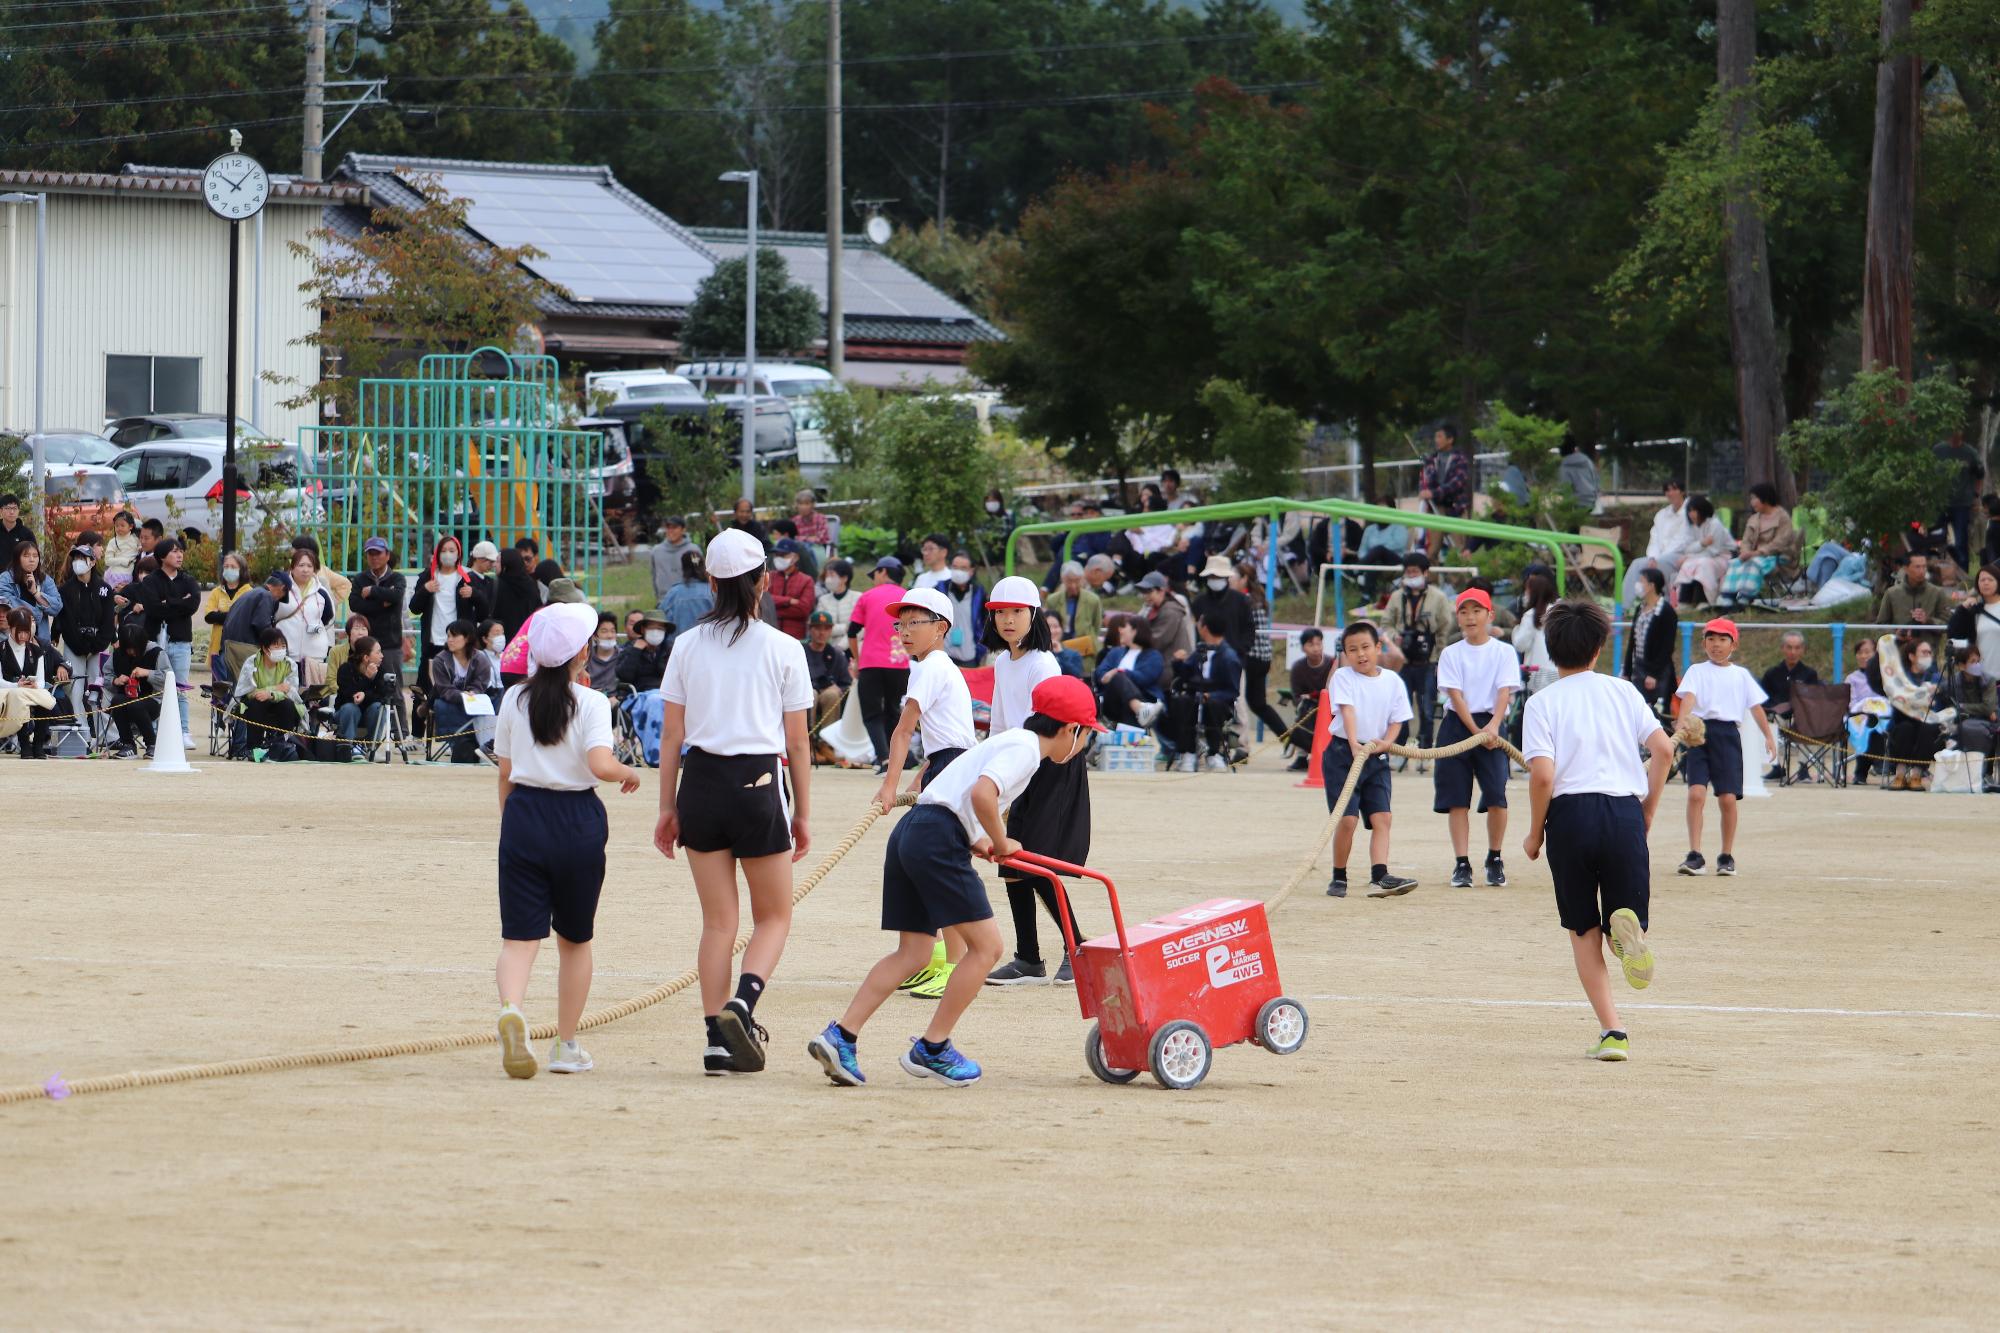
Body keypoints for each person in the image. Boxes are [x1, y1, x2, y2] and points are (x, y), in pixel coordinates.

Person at [808, 674, 1103, 1088]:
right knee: (988, 948)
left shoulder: (1009, 743)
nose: (1085, 746)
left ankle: (841, 1035)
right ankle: (933, 1046)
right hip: (936, 838)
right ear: (1072, 730)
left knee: (912, 952)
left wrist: (982, 842)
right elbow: (983, 796)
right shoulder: (1025, 750)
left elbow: (963, 800)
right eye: (1088, 736)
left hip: (913, 832)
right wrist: (1002, 841)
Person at [654, 528, 814, 1077]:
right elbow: (797, 743)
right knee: (774, 916)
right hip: (758, 782)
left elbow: (671, 736)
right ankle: (743, 1005)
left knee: (718, 923)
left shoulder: (686, 644)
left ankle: (714, 1042)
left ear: (711, 580)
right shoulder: (784, 647)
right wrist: (804, 814)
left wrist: (666, 807)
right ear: (764, 581)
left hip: (699, 781)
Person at [1519, 598, 1676, 1061]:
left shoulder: (1542, 703)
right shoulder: (1623, 691)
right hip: (1623, 811)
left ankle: (1613, 1033)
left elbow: (1543, 776)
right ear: (1599, 647)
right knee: (1621, 918)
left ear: (1550, 648)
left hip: (1570, 818)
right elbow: (1663, 751)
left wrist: (1534, 833)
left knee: (1582, 930)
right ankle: (1625, 931)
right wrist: (1646, 809)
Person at [492, 602, 644, 1079]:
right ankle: (566, 1044)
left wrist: (510, 823)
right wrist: (628, 773)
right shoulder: (593, 702)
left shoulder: (514, 699)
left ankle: (512, 1008)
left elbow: (505, 772)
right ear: (582, 654)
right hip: (576, 819)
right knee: (575, 940)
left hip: (524, 814)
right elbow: (600, 765)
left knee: (519, 939)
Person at [871, 584, 981, 1002]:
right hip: (947, 765)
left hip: (954, 767)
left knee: (941, 867)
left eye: (915, 622)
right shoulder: (930, 666)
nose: (904, 630)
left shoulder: (932, 666)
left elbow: (904, 731)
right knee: (934, 864)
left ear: (941, 628)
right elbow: (942, 736)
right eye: (901, 623)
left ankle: (952, 965)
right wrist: (920, 777)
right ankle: (938, 957)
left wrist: (888, 787)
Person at [983, 574, 1091, 986]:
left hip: (1052, 764)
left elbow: (1056, 725)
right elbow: (997, 722)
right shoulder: (1002, 662)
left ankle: (1076, 948)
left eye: (1016, 612)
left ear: (1034, 616)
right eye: (1000, 613)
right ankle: (1028, 957)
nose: (1008, 620)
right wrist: (992, 770)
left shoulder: (1042, 662)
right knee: (1011, 861)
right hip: (1018, 762)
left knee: (1037, 862)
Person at [1321, 621, 1418, 898]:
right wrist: (1353, 744)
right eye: (1353, 650)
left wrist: (1388, 741)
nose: (1360, 654)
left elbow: (1397, 719)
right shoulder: (1342, 677)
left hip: (1377, 755)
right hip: (1343, 754)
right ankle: (1339, 875)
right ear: (1345, 654)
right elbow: (1347, 711)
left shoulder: (1392, 681)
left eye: (1365, 647)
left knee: (1382, 816)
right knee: (1347, 819)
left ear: (1378, 647)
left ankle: (1380, 875)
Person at [1675, 618, 1779, 876]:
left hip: (1727, 735)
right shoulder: (1697, 671)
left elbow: (1755, 707)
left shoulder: (1741, 675)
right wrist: (1681, 724)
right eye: (1711, 639)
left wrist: (1768, 735)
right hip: (1700, 735)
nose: (1716, 645)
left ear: (1734, 643)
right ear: (1704, 643)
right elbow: (1689, 698)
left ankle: (1726, 855)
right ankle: (1695, 855)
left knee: (1728, 798)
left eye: (1722, 639)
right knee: (1695, 794)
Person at [1433, 588, 1520, 888]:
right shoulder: (1451, 653)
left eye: (1477, 610)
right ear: (1457, 617)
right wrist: (1475, 731)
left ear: (1489, 615)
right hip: (1459, 725)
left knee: (1497, 794)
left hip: (1493, 725)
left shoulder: (1504, 651)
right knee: (1457, 799)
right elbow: (1455, 696)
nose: (1470, 617)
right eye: (1464, 611)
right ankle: (1462, 862)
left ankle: (1494, 857)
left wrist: (1494, 725)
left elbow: (1504, 691)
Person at [1379, 552, 1451, 750]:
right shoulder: (1396, 597)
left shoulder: (1438, 597)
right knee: (1399, 707)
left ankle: (1426, 748)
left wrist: (1440, 659)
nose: (1411, 576)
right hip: (1402, 659)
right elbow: (1385, 623)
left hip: (1428, 660)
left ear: (1425, 573)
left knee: (1427, 707)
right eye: (1408, 572)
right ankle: (1398, 747)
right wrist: (1396, 637)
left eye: (1415, 572)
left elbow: (1445, 628)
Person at [849, 556, 912, 773]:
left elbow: (852, 632)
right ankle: (896, 759)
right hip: (900, 663)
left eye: (875, 573)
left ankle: (884, 758)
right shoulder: (908, 597)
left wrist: (857, 659)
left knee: (872, 714)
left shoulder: (867, 596)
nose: (874, 578)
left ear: (883, 572)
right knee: (894, 711)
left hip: (871, 663)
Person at [1159, 611, 1242, 773]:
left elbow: (1232, 691)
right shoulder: (1200, 651)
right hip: (1194, 697)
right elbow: (1185, 676)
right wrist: (1178, 662)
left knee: (1213, 704)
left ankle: (1213, 753)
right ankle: (1187, 752)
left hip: (1218, 701)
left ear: (1205, 628)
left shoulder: (1229, 657)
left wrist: (1210, 695)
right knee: (1181, 701)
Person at [135, 538, 198, 744]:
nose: (179, 555)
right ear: (162, 556)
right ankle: (153, 732)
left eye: (181, 551)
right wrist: (180, 602)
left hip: (180, 641)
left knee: (180, 687)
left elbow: (193, 604)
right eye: (174, 552)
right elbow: (153, 608)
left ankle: (184, 731)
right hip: (155, 641)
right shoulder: (151, 581)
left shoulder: (188, 580)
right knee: (156, 686)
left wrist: (168, 602)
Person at [53, 542, 115, 728]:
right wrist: (73, 642)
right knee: (74, 687)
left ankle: (107, 735)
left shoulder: (105, 589)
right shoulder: (65, 590)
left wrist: (98, 644)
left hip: (98, 645)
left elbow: (108, 621)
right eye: (76, 558)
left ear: (93, 562)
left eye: (83, 558)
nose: (78, 562)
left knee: (99, 689)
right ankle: (81, 730)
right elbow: (65, 620)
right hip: (74, 645)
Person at [411, 535, 487, 684]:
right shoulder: (428, 576)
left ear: (458, 553)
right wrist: (425, 590)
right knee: (427, 684)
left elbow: (484, 611)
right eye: (443, 550)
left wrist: (474, 594)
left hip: (460, 643)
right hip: (433, 640)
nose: (447, 554)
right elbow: (414, 608)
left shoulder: (468, 577)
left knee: (458, 684)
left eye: (452, 550)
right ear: (437, 553)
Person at [1231, 560, 1289, 743]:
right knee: (1258, 704)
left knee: (1239, 702)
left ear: (1244, 579)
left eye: (1233, 577)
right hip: (1263, 657)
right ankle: (1288, 737)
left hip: (1251, 657)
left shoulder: (1245, 601)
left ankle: (1242, 744)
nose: (1230, 580)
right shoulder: (1257, 598)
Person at [231, 626, 308, 761]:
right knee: (256, 703)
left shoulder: (290, 664)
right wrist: (278, 688)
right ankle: (254, 748)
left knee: (288, 705)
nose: (281, 650)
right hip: (256, 702)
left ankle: (284, 745)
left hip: (280, 701)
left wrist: (271, 694)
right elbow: (248, 691)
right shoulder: (252, 662)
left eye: (283, 646)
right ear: (265, 649)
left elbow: (291, 690)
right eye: (276, 646)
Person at [1, 606, 66, 758]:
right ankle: (24, 744)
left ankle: (38, 744)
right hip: (8, 692)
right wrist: (16, 685)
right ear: (11, 628)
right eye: (20, 631)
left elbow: (42, 680)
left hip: (30, 690)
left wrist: (35, 685)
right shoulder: (2, 649)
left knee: (44, 697)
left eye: (27, 631)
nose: (24, 636)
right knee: (19, 697)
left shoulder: (37, 651)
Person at [1718, 483, 1798, 606]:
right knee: (1735, 563)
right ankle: (1727, 598)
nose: (1752, 502)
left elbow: (1780, 543)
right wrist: (1745, 552)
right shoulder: (1754, 519)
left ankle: (1745, 598)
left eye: (1754, 498)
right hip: (1755, 556)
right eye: (1751, 499)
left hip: (1779, 557)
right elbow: (1746, 541)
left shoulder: (1783, 517)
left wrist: (1756, 553)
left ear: (1765, 498)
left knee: (1753, 563)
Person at [429, 620, 495, 765]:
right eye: (448, 636)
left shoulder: (480, 659)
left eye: (454, 636)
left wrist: (474, 692)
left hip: (474, 698)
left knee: (487, 708)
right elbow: (443, 688)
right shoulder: (441, 660)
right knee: (444, 706)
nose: (450, 640)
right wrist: (462, 696)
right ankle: (458, 743)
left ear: (467, 638)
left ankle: (484, 745)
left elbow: (482, 682)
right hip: (449, 699)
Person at [1759, 632, 1821, 779]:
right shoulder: (1772, 673)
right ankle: (1776, 766)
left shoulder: (1810, 674)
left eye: (1797, 648)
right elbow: (1762, 698)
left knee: (1806, 722)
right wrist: (1775, 709)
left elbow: (1813, 698)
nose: (1793, 652)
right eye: (1789, 647)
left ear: (1803, 649)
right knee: (1765, 723)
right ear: (1783, 648)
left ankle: (1803, 767)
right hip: (1776, 716)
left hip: (1799, 716)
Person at [275, 546, 337, 685]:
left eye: (309, 565)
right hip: (286, 654)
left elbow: (328, 618)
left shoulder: (321, 592)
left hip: (314, 657)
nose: (305, 569)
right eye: (301, 565)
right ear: (292, 568)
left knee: (314, 699)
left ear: (314, 569)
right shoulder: (282, 590)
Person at [1622, 567, 1679, 714]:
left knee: (1657, 713)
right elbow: (1633, 642)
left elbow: (1667, 647)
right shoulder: (1640, 609)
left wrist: (1654, 673)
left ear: (1652, 585)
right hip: (1638, 668)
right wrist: (1627, 670)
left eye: (1642, 582)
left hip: (1657, 671)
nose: (1638, 585)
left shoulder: (1666, 612)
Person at [1625, 479, 1691, 604]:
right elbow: (1654, 539)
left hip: (1682, 555)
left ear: (1682, 491)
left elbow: (1682, 541)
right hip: (1659, 557)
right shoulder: (1662, 514)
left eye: (1674, 489)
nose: (1671, 493)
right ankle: (1621, 608)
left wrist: (1658, 559)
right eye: (1667, 490)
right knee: (1637, 564)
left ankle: (1663, 603)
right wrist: (1652, 558)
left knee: (1661, 563)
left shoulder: (1690, 511)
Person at [106, 617, 162, 758]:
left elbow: (168, 677)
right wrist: (115, 681)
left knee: (135, 705)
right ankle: (128, 745)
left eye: (134, 648)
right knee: (117, 701)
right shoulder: (117, 654)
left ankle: (152, 744)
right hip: (127, 698)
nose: (131, 652)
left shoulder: (156, 652)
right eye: (128, 648)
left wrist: (148, 673)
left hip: (152, 701)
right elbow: (105, 676)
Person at [333, 634, 396, 758]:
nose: (382, 656)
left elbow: (383, 696)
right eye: (378, 652)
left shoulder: (381, 670)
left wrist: (365, 695)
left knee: (378, 707)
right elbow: (348, 696)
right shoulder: (346, 669)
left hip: (369, 716)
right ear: (366, 657)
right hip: (345, 715)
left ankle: (371, 749)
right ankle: (348, 748)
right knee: (351, 708)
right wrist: (366, 678)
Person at [1095, 616, 1164, 728]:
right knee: (1118, 676)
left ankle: (1139, 709)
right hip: (1113, 702)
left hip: (1143, 696)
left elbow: (1145, 678)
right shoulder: (1116, 652)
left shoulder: (1153, 656)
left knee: (1118, 676)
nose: (1120, 631)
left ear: (1134, 631)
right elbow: (1100, 671)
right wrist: (1109, 675)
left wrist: (1119, 672)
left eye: (1124, 627)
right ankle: (1140, 709)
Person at [220, 570, 287, 681]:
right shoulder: (266, 596)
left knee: (232, 691)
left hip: (230, 650)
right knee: (245, 692)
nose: (279, 599)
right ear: (282, 588)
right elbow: (263, 626)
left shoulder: (251, 594)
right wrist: (276, 647)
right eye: (283, 595)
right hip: (243, 652)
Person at [1418, 422, 1471, 559]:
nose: (1437, 440)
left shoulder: (1460, 459)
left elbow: (1456, 483)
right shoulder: (1431, 460)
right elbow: (1427, 481)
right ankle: (1430, 579)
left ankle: (1460, 580)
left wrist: (1434, 493)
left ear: (1450, 439)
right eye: (1436, 437)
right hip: (1437, 508)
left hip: (1456, 509)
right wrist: (1426, 491)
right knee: (1431, 550)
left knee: (1458, 550)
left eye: (1440, 436)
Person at [1933, 434, 1986, 570]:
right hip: (1940, 502)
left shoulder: (1970, 453)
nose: (1955, 435)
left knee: (1961, 539)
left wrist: (1976, 496)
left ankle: (1962, 571)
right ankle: (1934, 568)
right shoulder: (1938, 450)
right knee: (1935, 535)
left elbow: (1980, 475)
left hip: (1962, 503)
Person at [198, 550, 251, 681]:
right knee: (219, 693)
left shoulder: (249, 592)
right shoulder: (216, 591)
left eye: (233, 567)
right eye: (226, 567)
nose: (229, 570)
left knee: (237, 691)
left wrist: (220, 614)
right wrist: (234, 614)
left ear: (242, 570)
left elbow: (245, 619)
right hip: (218, 649)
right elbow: (209, 616)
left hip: (240, 650)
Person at [1675, 496, 1735, 608]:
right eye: (1689, 511)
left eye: (1694, 510)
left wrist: (1690, 557)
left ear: (1702, 510)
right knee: (1689, 564)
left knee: (1703, 564)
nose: (1691, 514)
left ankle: (1704, 600)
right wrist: (1702, 543)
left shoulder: (1715, 524)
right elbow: (1687, 548)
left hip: (1724, 557)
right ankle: (1684, 601)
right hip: (1703, 557)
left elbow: (1714, 551)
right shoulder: (1691, 526)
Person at [1045, 561, 1105, 671]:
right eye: (1069, 581)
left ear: (1082, 579)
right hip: (1059, 647)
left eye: (1077, 581)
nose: (1073, 585)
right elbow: (1049, 622)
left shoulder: (1093, 600)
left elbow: (1096, 626)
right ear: (1063, 580)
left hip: (1085, 649)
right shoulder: (1052, 600)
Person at [1288, 627, 1334, 771]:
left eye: (1318, 644)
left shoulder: (1332, 664)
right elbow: (1296, 696)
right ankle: (1302, 756)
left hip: (1329, 706)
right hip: (1308, 707)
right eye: (1311, 644)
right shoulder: (1297, 668)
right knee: (1303, 714)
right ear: (1303, 648)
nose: (1315, 648)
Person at [0, 536, 61, 643]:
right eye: (26, 555)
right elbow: (10, 605)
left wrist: (35, 593)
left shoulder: (46, 580)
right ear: (17, 558)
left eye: (35, 556)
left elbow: (57, 607)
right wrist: (38, 614)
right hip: (10, 639)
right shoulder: (5, 578)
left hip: (39, 639)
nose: (32, 560)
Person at [1875, 550, 1953, 629]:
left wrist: (1929, 621)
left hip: (1928, 641)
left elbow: (1947, 626)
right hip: (1899, 641)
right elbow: (1880, 626)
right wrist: (1896, 634)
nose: (1922, 571)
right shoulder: (1891, 593)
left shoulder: (1937, 593)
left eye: (1924, 566)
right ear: (1906, 569)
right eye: (1917, 567)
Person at [938, 549, 985, 668]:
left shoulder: (978, 593)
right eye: (955, 567)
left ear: (971, 570)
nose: (958, 571)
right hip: (944, 654)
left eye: (963, 568)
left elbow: (985, 621)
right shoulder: (940, 589)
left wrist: (981, 648)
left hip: (968, 655)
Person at [803, 609, 850, 725]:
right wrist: (819, 686)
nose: (822, 632)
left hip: (827, 696)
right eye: (817, 628)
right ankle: (808, 738)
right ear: (810, 629)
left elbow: (846, 683)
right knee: (811, 693)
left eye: (826, 629)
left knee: (832, 695)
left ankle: (826, 741)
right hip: (805, 694)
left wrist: (838, 689)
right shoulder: (801, 651)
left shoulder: (836, 654)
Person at [1137, 570, 1193, 657]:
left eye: (1149, 591)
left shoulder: (1170, 611)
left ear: (1161, 591)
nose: (1145, 596)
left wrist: (1133, 640)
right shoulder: (1153, 608)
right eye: (1143, 592)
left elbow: (1157, 640)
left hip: (1172, 666)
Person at [768, 538, 816, 639]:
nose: (778, 558)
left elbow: (804, 610)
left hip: (795, 637)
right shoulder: (769, 576)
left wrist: (773, 608)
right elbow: (762, 601)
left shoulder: (806, 580)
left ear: (795, 557)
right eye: (777, 555)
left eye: (783, 555)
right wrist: (788, 601)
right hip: (770, 634)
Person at [616, 609, 672, 693]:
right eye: (652, 628)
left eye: (660, 629)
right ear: (643, 629)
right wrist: (636, 651)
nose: (656, 632)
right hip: (639, 696)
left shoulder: (670, 649)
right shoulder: (631, 648)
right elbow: (624, 676)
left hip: (666, 695)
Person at [490, 548, 540, 642]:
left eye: (498, 561)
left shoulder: (498, 585)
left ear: (506, 565)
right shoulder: (530, 584)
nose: (494, 565)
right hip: (527, 638)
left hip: (501, 640)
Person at [650, 514, 699, 607]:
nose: (671, 531)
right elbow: (654, 576)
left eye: (675, 527)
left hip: (688, 600)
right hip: (664, 601)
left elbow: (699, 574)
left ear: (683, 530)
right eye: (668, 527)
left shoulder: (693, 550)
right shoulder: (656, 551)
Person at [663, 550, 713, 635]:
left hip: (680, 645)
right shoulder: (713, 590)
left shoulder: (674, 593)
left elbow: (663, 619)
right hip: (710, 643)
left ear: (683, 568)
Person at [816, 559, 860, 653]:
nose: (828, 579)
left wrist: (841, 646)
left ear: (844, 578)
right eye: (827, 576)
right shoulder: (823, 600)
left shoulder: (858, 598)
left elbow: (861, 629)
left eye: (832, 575)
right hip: (829, 649)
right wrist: (846, 628)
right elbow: (821, 627)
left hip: (854, 649)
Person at [1558, 437, 1600, 511]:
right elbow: (1595, 479)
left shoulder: (1565, 466)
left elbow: (1566, 487)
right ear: (1574, 448)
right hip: (1591, 500)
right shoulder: (1587, 461)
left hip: (1575, 502)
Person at [583, 613, 622, 693]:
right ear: (594, 636)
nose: (610, 636)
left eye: (613, 631)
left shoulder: (623, 656)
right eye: (604, 631)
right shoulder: (585, 657)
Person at [791, 489, 831, 559]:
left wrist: (801, 539)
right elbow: (792, 539)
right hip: (798, 552)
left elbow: (821, 539)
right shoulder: (794, 521)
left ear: (813, 505)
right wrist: (810, 538)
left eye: (806, 504)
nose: (803, 507)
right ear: (797, 505)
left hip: (817, 550)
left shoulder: (821, 518)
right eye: (800, 504)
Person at [1045, 611, 1086, 678]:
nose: (1052, 631)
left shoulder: (1074, 654)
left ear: (1062, 629)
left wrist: (1061, 653)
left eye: (1056, 626)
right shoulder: (1035, 652)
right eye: (1048, 626)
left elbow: (1077, 676)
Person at [0, 493, 31, 572]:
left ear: (18, 511)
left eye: (15, 508)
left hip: (19, 578)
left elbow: (32, 557)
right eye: (8, 508)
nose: (12, 512)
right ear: (1, 511)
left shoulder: (26, 534)